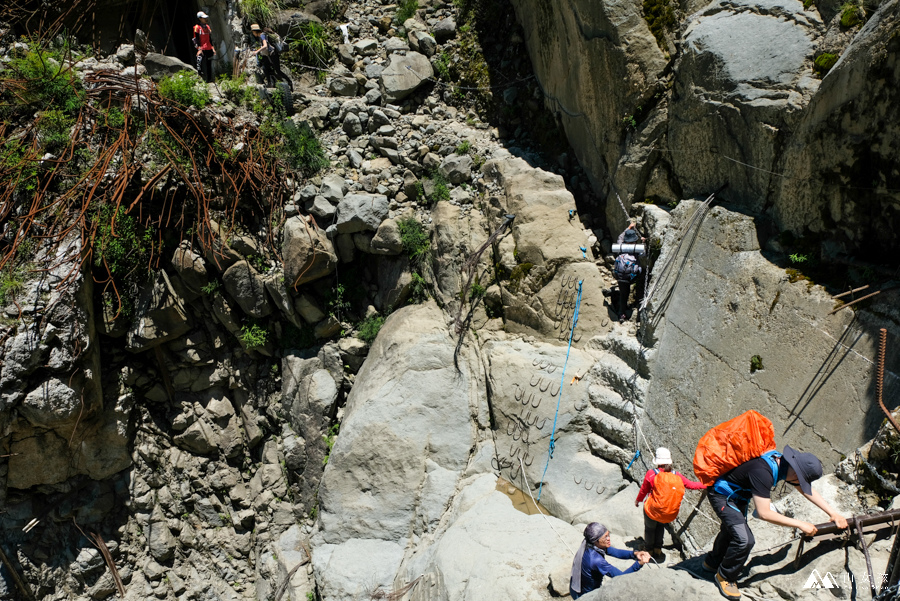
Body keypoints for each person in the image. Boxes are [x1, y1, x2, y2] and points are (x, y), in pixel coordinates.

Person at [704, 446, 848, 599]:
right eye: (801, 479)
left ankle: (712, 563)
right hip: (722, 495)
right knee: (745, 539)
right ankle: (725, 577)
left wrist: (833, 513)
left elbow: (807, 491)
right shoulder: (763, 472)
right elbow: (764, 513)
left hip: (737, 495)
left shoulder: (782, 464)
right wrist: (800, 524)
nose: (800, 483)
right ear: (795, 471)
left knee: (732, 530)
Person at [635, 447, 706, 563]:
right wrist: (707, 484)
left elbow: (644, 490)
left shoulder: (651, 474)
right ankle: (658, 550)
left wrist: (638, 500)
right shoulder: (676, 475)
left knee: (649, 529)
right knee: (660, 528)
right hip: (666, 512)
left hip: (652, 510)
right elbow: (692, 485)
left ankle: (649, 551)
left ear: (657, 462)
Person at [569, 522, 651, 599]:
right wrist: (639, 563)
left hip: (576, 586)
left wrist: (635, 554)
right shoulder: (596, 560)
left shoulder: (589, 543)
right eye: (605, 537)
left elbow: (615, 552)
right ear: (596, 540)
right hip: (585, 595)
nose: (609, 539)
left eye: (608, 535)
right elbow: (621, 577)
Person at [613, 222, 644, 323]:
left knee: (624, 294)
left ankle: (622, 313)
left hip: (619, 275)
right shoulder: (636, 249)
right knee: (641, 279)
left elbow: (620, 237)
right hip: (632, 277)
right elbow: (644, 253)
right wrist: (643, 242)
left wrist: (628, 228)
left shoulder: (620, 246)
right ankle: (635, 303)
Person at [250, 24, 293, 90]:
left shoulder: (262, 36)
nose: (253, 34)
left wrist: (257, 51)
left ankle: (289, 82)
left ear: (255, 31)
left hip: (273, 54)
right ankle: (270, 83)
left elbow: (265, 46)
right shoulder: (264, 35)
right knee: (265, 67)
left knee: (278, 71)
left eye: (253, 32)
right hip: (272, 54)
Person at [193, 11, 216, 83]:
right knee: (200, 64)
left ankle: (209, 80)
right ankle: (201, 79)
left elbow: (210, 39)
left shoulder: (208, 27)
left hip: (208, 48)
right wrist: (199, 49)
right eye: (203, 18)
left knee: (208, 64)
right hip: (202, 48)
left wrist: (213, 48)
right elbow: (195, 39)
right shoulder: (197, 27)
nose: (205, 19)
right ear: (200, 19)